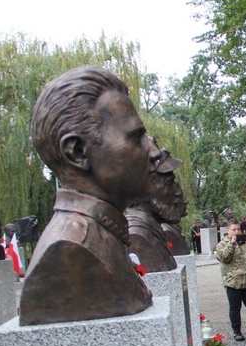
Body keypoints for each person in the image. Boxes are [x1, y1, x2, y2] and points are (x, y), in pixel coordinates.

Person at [20, 66, 162, 325]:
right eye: (136, 137)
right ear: (77, 152)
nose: (153, 152)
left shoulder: (105, 236)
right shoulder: (69, 250)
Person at [127, 150, 183, 272]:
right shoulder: (136, 234)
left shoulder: (153, 229)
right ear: (147, 187)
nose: (178, 192)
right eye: (170, 183)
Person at [215, 219, 246, 340]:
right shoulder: (222, 244)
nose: (236, 231)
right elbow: (223, 257)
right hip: (232, 281)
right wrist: (231, 244)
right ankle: (237, 331)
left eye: (238, 229)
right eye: (234, 229)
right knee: (235, 307)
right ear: (228, 231)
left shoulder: (244, 242)